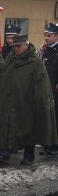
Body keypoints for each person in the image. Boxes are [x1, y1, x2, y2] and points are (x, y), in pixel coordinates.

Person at [0, 34, 58, 165]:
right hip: (9, 100)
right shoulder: (10, 59)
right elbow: (3, 78)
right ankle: (4, 154)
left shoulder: (35, 62)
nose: (16, 49)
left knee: (28, 130)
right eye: (14, 46)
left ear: (26, 45)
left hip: (27, 102)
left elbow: (42, 84)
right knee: (8, 127)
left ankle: (28, 156)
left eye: (18, 46)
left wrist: (40, 101)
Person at [40, 23, 58, 156]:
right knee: (49, 116)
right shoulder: (45, 49)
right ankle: (49, 143)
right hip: (47, 87)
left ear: (56, 36)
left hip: (55, 89)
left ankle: (54, 145)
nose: (46, 38)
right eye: (45, 35)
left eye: (49, 36)